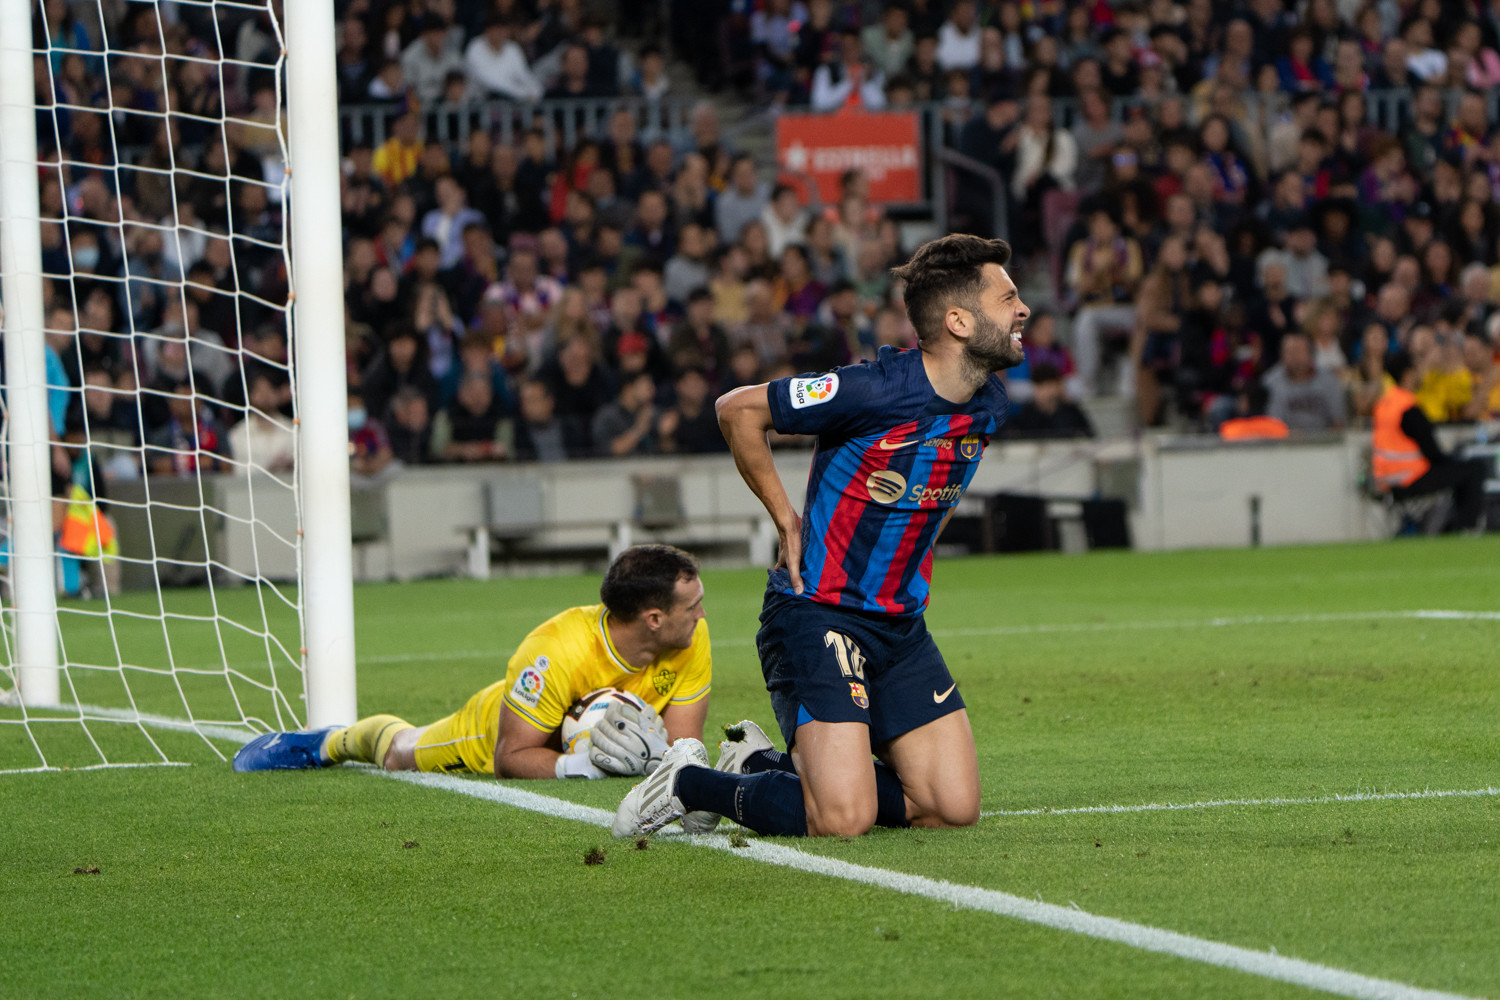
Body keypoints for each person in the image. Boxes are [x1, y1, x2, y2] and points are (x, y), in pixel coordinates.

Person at [614, 233, 1026, 839]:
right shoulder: (872, 389)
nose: (1022, 310)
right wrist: (785, 516)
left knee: (951, 807)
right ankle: (684, 783)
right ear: (959, 321)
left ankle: (763, 767)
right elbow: (737, 410)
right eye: (1008, 298)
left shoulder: (989, 401)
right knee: (844, 817)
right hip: (817, 614)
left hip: (901, 627)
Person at [234, 546, 711, 780]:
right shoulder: (553, 651)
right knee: (402, 754)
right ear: (653, 618)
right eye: (692, 607)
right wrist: (583, 765)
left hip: (571, 736)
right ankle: (330, 741)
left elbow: (682, 744)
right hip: (496, 729)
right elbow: (511, 757)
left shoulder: (693, 637)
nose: (702, 615)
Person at [1371, 352, 1488, 533]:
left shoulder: (1384, 404)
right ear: (1407, 374)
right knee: (1474, 468)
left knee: (1457, 470)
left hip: (1386, 481)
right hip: (1411, 479)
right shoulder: (1408, 408)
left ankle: (1454, 527)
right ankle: (1465, 528)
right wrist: (1451, 459)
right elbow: (1432, 452)